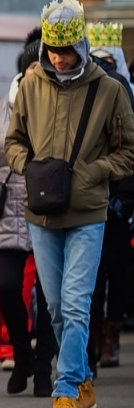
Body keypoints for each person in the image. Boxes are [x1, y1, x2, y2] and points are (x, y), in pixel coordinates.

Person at [4, 0, 134, 408]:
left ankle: (66, 390)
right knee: (56, 307)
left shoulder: (111, 89)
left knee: (77, 305)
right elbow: (14, 141)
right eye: (53, 50)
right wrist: (30, 166)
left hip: (88, 212)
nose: (60, 58)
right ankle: (84, 381)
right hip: (42, 213)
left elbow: (128, 153)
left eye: (67, 50)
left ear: (81, 44)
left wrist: (94, 172)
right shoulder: (30, 85)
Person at [0, 35, 58, 397]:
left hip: (49, 207)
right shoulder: (1, 108)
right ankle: (21, 355)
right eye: (33, 67)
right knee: (7, 288)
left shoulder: (57, 105)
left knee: (49, 293)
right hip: (8, 212)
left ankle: (43, 366)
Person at [86, 22, 134, 370]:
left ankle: (110, 336)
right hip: (91, 195)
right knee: (94, 273)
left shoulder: (119, 89)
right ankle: (93, 340)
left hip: (116, 196)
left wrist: (126, 197)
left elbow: (127, 148)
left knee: (114, 270)